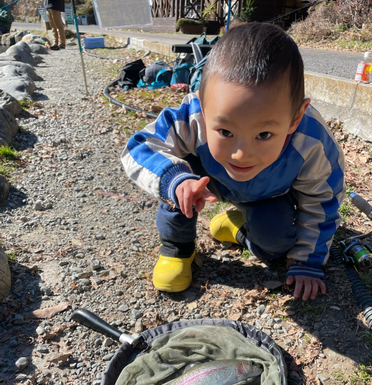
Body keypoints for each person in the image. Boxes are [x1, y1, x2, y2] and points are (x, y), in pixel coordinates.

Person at [122, 23, 345, 301]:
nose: (241, 154)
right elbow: (140, 147)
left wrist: (308, 261)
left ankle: (237, 229)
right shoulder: (192, 117)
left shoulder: (312, 141)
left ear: (295, 119)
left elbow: (322, 201)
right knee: (175, 183)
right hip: (205, 183)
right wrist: (176, 179)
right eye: (225, 132)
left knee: (274, 247)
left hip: (269, 195)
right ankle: (177, 247)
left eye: (264, 134)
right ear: (203, 106)